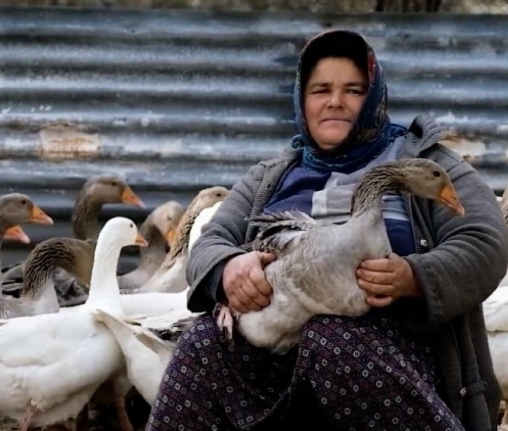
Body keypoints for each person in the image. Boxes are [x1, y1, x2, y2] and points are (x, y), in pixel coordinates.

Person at [145, 29, 508, 431]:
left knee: (331, 337)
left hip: (396, 358)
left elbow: (484, 243)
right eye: (320, 90)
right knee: (201, 344)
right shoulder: (270, 176)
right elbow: (211, 242)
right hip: (274, 360)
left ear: (373, 97)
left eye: (353, 90)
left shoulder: (423, 161)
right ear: (302, 100)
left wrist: (415, 277)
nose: (335, 102)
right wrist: (228, 268)